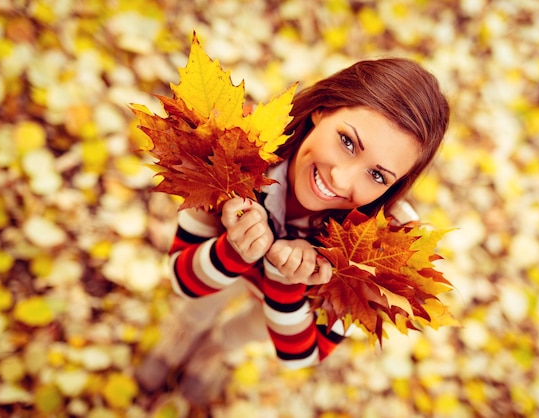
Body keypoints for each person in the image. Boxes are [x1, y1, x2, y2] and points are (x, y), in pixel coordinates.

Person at [135, 57, 450, 404]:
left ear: (394, 186)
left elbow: (302, 354)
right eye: (347, 141)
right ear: (322, 110)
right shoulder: (233, 147)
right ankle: (183, 332)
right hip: (215, 269)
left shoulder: (382, 250)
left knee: (248, 330)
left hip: (284, 310)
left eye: (377, 175)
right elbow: (182, 277)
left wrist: (288, 282)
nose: (341, 179)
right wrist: (234, 250)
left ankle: (217, 348)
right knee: (198, 307)